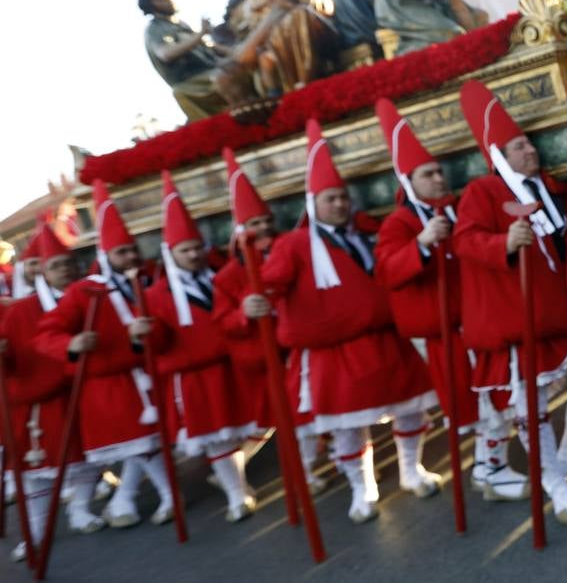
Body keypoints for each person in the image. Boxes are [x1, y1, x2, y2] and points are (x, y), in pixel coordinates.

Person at [250, 120, 440, 524]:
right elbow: (270, 284)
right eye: (331, 198)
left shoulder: (366, 233)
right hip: (336, 353)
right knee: (349, 429)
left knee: (410, 412)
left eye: (343, 198)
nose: (339, 204)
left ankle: (411, 470)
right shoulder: (293, 244)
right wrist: (256, 300)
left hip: (387, 340)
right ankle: (362, 488)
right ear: (313, 203)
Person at [454, 79, 567, 525]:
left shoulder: (549, 188)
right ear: (501, 156)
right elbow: (465, 240)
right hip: (516, 319)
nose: (531, 152)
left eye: (530, 145)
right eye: (520, 147)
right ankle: (553, 483)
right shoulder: (482, 192)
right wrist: (503, 241)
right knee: (531, 408)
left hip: (560, 312)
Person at [371, 97, 529, 503]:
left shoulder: (458, 210)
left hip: (476, 323)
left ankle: (489, 467)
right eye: (428, 174)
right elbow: (388, 272)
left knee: (497, 397)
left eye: (440, 172)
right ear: (409, 182)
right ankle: (490, 468)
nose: (439, 179)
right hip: (445, 333)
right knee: (478, 403)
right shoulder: (400, 223)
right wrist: (421, 245)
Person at [36, 181, 173, 529]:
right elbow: (47, 333)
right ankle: (165, 496)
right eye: (121, 253)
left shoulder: (150, 281)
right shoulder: (85, 291)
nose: (130, 257)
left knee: (147, 444)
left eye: (131, 250)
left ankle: (127, 499)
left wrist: (149, 333)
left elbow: (164, 330)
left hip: (147, 375)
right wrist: (72, 344)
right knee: (139, 446)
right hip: (108, 384)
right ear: (106, 255)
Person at [148, 171, 257, 523]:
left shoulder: (221, 275)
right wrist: (141, 334)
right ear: (171, 253)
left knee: (254, 424)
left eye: (197, 247)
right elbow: (156, 343)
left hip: (234, 364)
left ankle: (239, 484)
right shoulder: (155, 296)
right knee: (216, 440)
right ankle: (236, 494)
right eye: (186, 250)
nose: (194, 254)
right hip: (194, 376)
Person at [2, 217, 106, 559]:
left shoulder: (91, 298)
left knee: (87, 460)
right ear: (41, 272)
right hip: (33, 402)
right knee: (34, 474)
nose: (65, 270)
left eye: (69, 263)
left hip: (81, 394)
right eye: (55, 266)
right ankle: (32, 533)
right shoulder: (20, 311)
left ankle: (80, 510)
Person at [209, 148, 285, 483]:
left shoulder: (288, 253)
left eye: (267, 222)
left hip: (294, 347)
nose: (264, 229)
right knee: (271, 416)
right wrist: (244, 314)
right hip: (261, 356)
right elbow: (223, 322)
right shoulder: (226, 276)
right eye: (256, 224)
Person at [223, 0, 338, 96]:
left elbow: (303, 8)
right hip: (273, 58)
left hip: (319, 35)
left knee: (298, 15)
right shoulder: (248, 9)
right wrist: (274, 15)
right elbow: (244, 57)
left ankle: (304, 87)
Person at [139, 0, 228, 120]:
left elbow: (211, 47)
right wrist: (200, 34)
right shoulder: (155, 29)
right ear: (150, 5)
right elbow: (166, 54)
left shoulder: (182, 24)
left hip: (216, 68)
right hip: (195, 81)